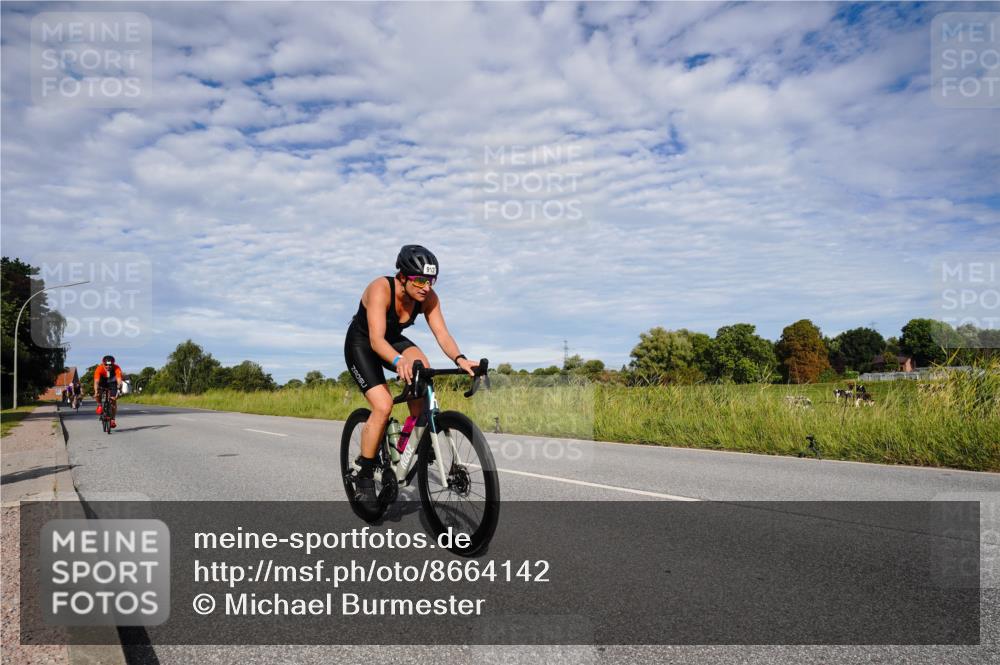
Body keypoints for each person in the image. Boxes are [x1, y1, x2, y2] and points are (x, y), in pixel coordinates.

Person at [343, 245, 476, 508]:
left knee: (422, 371)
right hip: (363, 344)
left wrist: (460, 359)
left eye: (431, 280)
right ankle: (365, 474)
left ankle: (411, 441)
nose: (426, 287)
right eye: (419, 280)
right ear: (402, 276)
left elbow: (442, 334)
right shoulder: (380, 289)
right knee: (383, 405)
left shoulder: (428, 297)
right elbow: (376, 340)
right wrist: (397, 360)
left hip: (393, 340)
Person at [93, 355, 124, 428]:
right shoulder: (99, 368)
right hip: (102, 382)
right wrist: (96, 391)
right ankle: (99, 405)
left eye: (110, 365)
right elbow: (96, 382)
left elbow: (119, 381)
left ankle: (113, 420)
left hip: (112, 382)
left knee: (113, 401)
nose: (108, 366)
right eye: (106, 365)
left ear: (113, 364)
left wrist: (119, 389)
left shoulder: (117, 368)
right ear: (103, 364)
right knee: (98, 393)